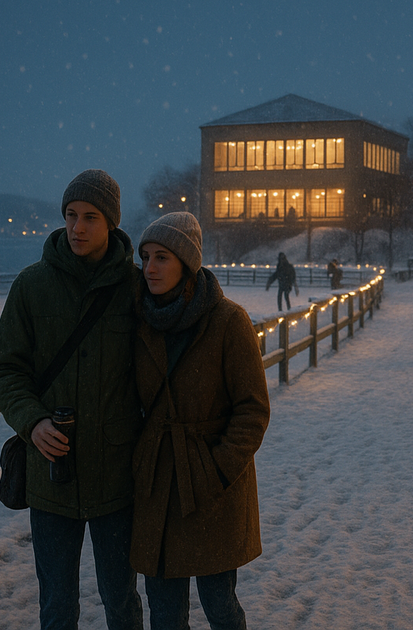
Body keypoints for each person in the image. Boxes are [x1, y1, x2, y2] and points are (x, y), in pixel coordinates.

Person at [0, 169, 144, 630]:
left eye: (91, 217)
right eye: (71, 215)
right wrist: (32, 421)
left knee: (122, 600)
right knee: (56, 606)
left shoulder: (136, 288)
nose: (77, 227)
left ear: (111, 222)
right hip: (50, 474)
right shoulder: (32, 286)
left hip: (117, 474)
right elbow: (5, 368)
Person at [133, 212, 270, 630]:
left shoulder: (228, 320)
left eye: (162, 258)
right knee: (164, 612)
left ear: (187, 264)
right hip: (158, 485)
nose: (150, 268)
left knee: (220, 606)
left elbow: (253, 409)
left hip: (211, 489)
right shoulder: (139, 320)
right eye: (145, 257)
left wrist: (217, 469)